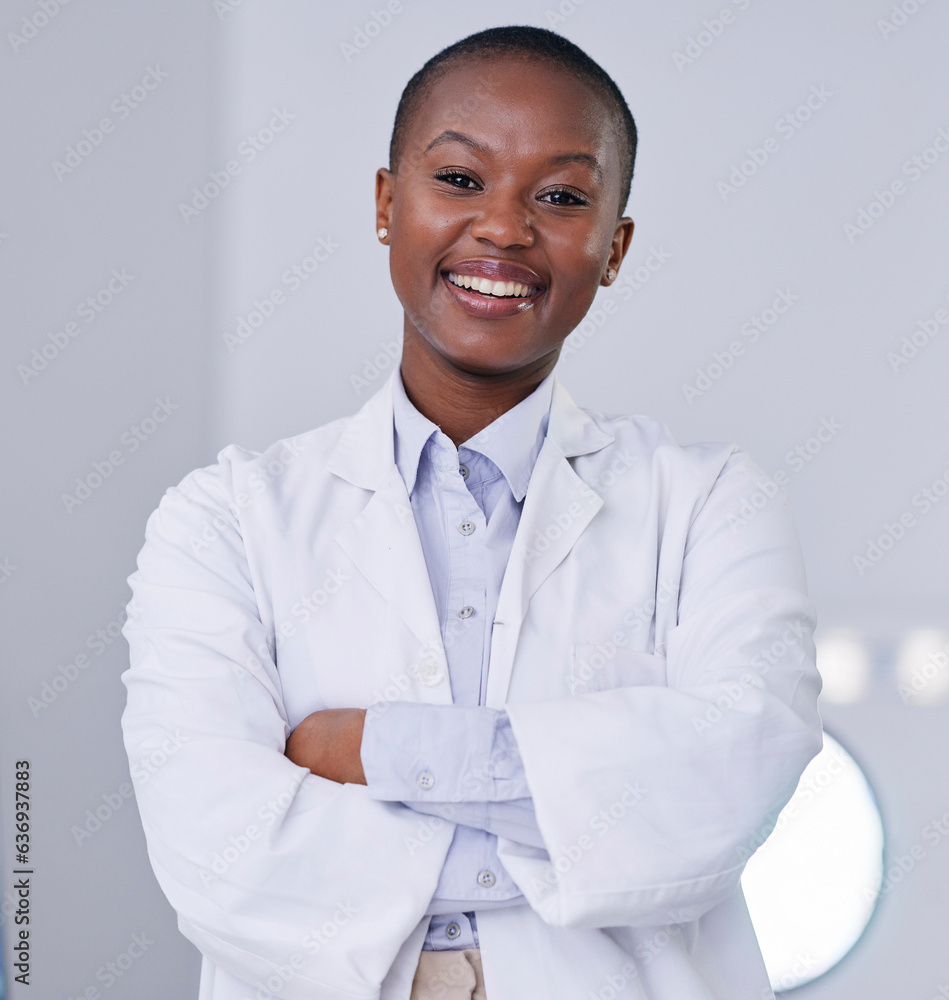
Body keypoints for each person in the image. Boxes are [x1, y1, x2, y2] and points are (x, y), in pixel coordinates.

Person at [120, 25, 823, 1000]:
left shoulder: (711, 503)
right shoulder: (225, 519)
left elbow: (734, 777)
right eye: (458, 179)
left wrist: (377, 748)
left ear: (614, 248)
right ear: (384, 203)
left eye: (562, 196)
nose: (502, 227)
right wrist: (573, 827)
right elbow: (217, 846)